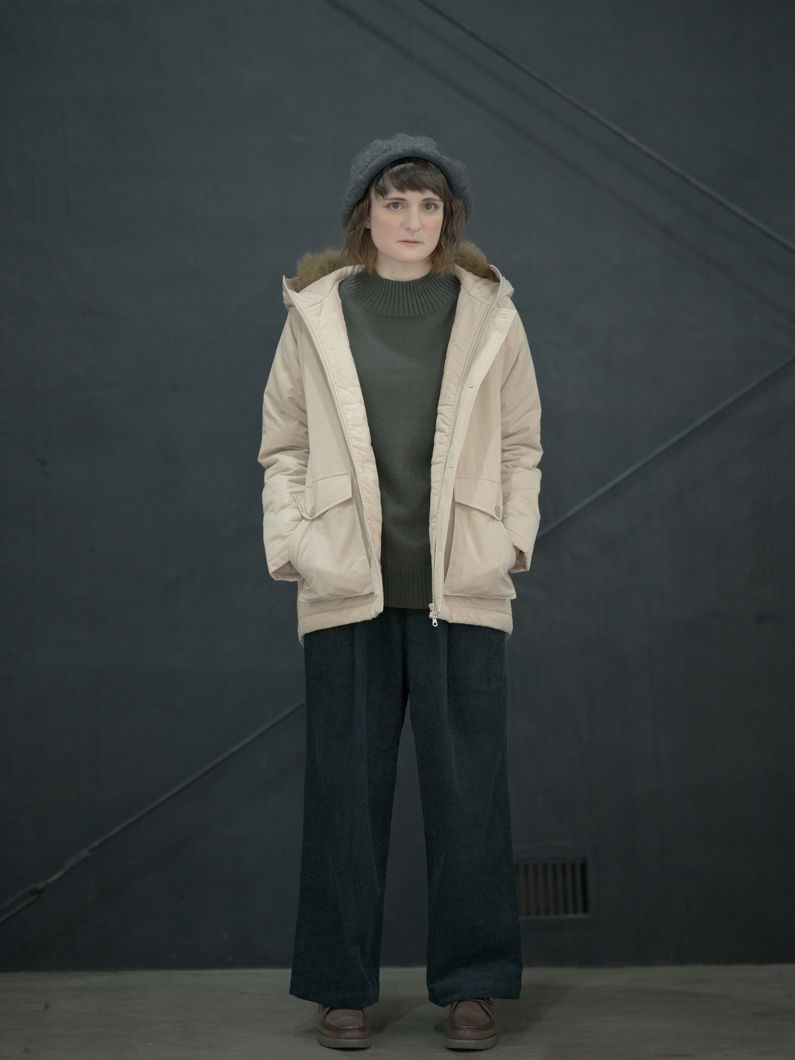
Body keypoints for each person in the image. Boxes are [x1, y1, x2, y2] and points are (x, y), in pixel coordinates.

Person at [257, 134, 542, 1051]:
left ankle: (473, 986)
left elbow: (521, 444)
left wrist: (508, 541)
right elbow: (284, 445)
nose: (411, 220)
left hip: (461, 583)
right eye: (394, 202)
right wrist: (296, 546)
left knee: (469, 799)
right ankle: (339, 988)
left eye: (427, 205)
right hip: (349, 583)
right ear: (364, 215)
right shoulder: (315, 314)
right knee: (343, 797)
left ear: (446, 218)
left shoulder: (490, 313)